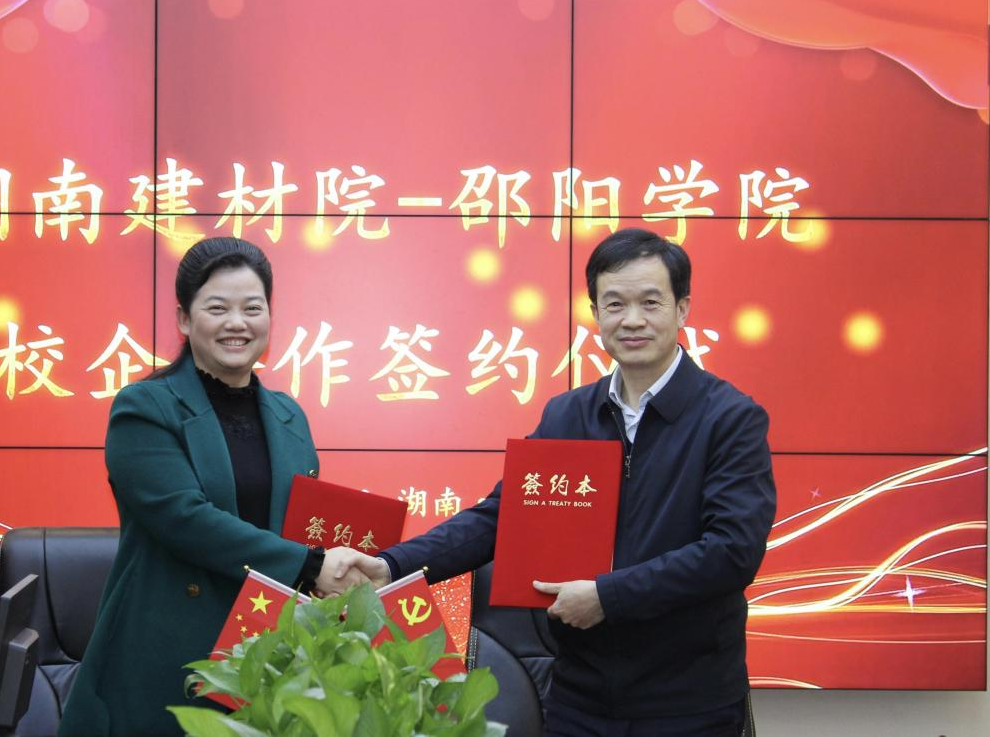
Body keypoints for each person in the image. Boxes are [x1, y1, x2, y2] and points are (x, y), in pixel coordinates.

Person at [335, 228, 776, 736]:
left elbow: (732, 551)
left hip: (689, 703)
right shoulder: (569, 415)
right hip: (580, 699)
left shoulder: (729, 418)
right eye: (615, 304)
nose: (632, 319)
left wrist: (608, 596)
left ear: (682, 309)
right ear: (595, 313)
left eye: (650, 302)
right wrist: (393, 566)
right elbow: (501, 518)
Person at [59, 237, 360, 735]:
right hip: (169, 649)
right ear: (184, 319)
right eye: (217, 308)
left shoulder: (289, 414)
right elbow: (185, 519)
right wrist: (310, 566)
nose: (237, 323)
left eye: (252, 308)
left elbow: (300, 523)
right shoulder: (144, 408)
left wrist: (344, 568)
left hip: (267, 649)